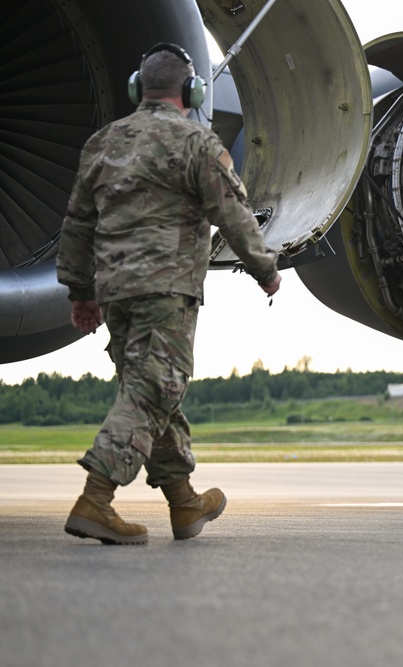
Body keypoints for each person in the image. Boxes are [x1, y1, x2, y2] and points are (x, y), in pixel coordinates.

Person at [56, 42, 281, 545]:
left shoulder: (103, 144)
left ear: (139, 89)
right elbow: (233, 214)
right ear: (192, 90)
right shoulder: (196, 143)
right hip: (166, 288)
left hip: (115, 292)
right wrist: (265, 269)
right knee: (154, 389)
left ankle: (183, 501)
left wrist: (80, 292)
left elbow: (76, 225)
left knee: (152, 389)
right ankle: (96, 497)